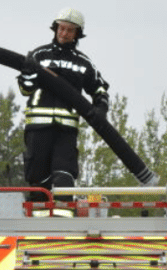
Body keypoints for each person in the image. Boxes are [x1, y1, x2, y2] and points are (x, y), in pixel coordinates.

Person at [17, 7, 110, 199]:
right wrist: (27, 74)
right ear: (55, 28)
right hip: (38, 128)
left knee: (64, 178)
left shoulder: (84, 63)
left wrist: (101, 109)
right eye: (61, 28)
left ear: (77, 34)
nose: (64, 33)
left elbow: (99, 89)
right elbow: (25, 90)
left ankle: (64, 222)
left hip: (65, 132)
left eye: (69, 30)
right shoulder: (38, 56)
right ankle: (38, 225)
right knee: (37, 179)